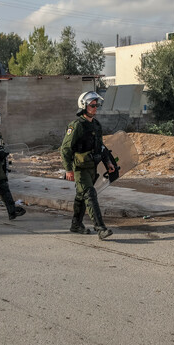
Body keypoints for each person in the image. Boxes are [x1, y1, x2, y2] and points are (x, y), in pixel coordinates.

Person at [61, 91, 116, 241]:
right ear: (84, 106)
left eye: (97, 105)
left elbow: (101, 146)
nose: (95, 108)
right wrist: (68, 169)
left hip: (92, 167)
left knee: (81, 196)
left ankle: (76, 224)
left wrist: (108, 162)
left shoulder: (96, 125)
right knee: (90, 194)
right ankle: (101, 229)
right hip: (80, 169)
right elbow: (65, 149)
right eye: (92, 105)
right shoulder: (76, 125)